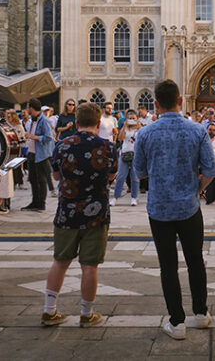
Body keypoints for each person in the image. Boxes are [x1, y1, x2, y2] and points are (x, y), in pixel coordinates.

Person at [133, 79, 215, 341]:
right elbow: (212, 170)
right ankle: (201, 313)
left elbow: (138, 172)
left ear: (156, 104)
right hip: (189, 207)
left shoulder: (145, 133)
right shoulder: (197, 130)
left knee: (167, 265)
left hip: (159, 208)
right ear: (180, 101)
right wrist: (197, 188)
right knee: (195, 261)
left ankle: (177, 322)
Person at [41, 103, 113, 327]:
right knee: (89, 266)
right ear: (98, 123)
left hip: (67, 212)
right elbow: (112, 177)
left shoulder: (62, 146)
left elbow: (54, 176)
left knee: (60, 262)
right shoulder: (108, 147)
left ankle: (49, 310)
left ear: (76, 121)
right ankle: (86, 313)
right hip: (96, 214)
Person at [23, 99, 55, 212]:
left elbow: (49, 137)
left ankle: (41, 204)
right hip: (32, 152)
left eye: (28, 107)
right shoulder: (33, 120)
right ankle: (35, 202)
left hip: (41, 154)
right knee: (32, 179)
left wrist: (34, 137)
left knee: (41, 179)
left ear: (31, 108)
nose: (27, 110)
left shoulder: (44, 121)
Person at [111, 110, 140, 206]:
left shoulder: (139, 129)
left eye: (133, 119)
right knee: (120, 177)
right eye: (130, 118)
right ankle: (115, 197)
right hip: (125, 153)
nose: (132, 120)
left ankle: (134, 197)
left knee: (134, 178)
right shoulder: (126, 128)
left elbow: (142, 138)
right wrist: (124, 126)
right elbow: (120, 138)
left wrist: (139, 126)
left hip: (135, 154)